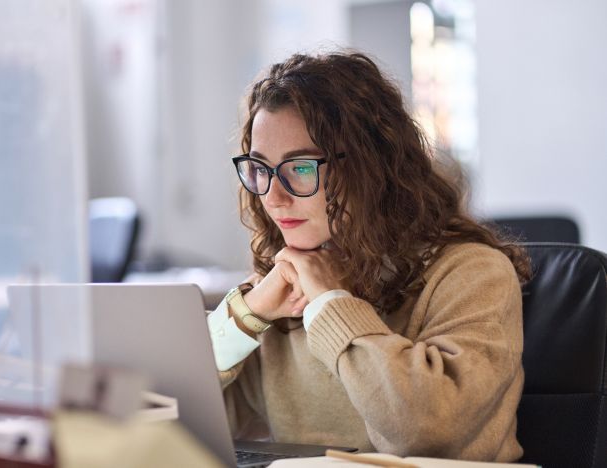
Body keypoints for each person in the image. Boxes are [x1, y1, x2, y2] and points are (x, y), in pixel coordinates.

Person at [206, 50, 531, 462]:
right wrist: (247, 314)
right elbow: (173, 411)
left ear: (369, 167)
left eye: (301, 168)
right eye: (260, 169)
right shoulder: (284, 284)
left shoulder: (473, 274)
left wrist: (330, 303)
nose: (274, 195)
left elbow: (425, 433)